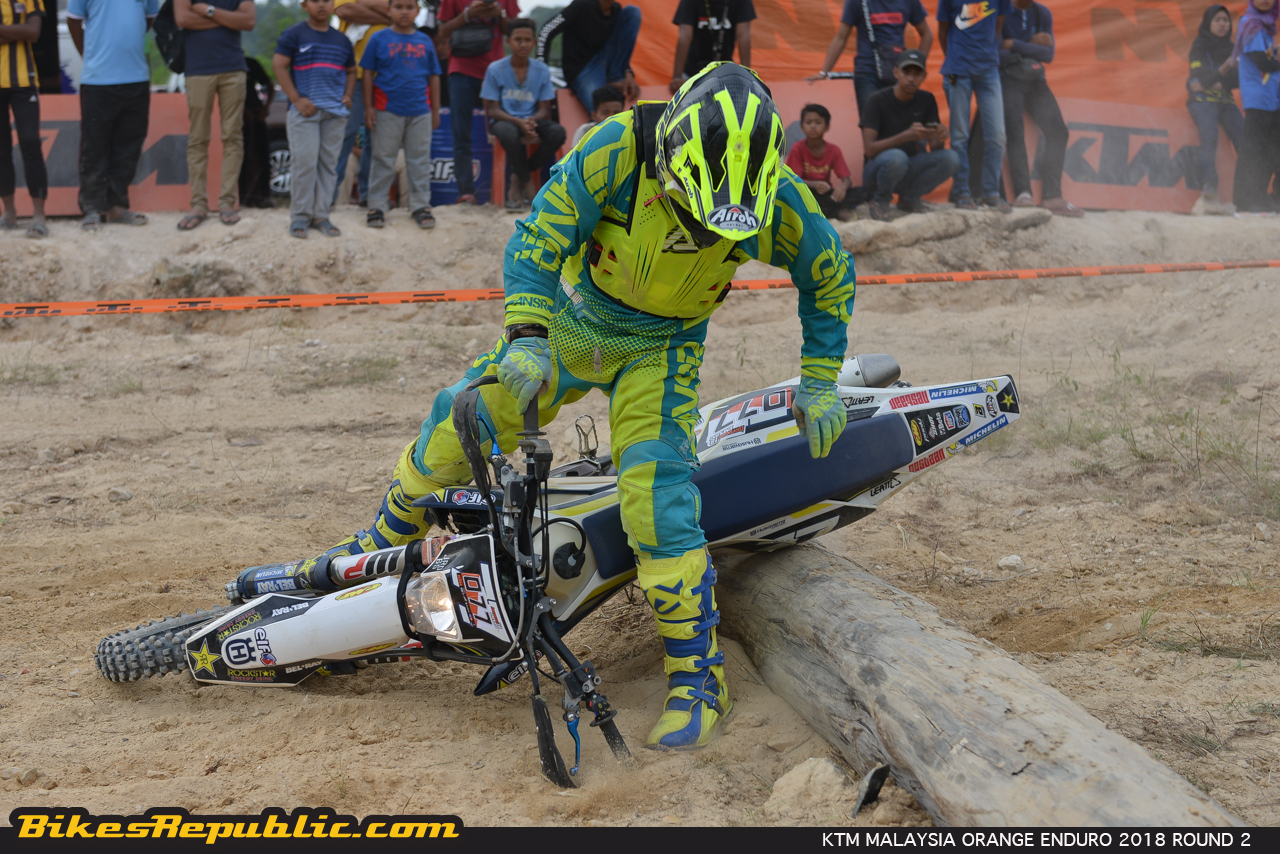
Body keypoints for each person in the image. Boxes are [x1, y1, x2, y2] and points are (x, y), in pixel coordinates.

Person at [278, 63, 855, 752]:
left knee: (659, 498)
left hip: (664, 348)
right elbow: (539, 238)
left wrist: (820, 380)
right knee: (467, 415)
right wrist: (526, 334)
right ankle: (382, 538)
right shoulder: (616, 147)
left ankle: (698, 672)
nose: (700, 230)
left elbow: (829, 275)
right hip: (573, 319)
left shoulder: (781, 198)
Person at [66, 0, 157, 232]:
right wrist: (90, 56)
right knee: (94, 146)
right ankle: (92, 208)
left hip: (136, 77)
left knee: (129, 147)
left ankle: (117, 206)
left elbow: (148, 20)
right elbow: (73, 21)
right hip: (98, 80)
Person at [274, 0, 356, 238]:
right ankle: (300, 216)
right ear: (304, 5)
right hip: (304, 112)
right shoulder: (293, 34)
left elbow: (351, 71)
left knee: (328, 165)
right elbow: (279, 66)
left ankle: (321, 215)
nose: (321, 5)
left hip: (335, 113)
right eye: (315, 1)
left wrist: (348, 95)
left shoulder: (342, 40)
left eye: (327, 0)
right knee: (304, 163)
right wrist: (297, 99)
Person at [174, 0, 256, 230]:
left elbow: (248, 21)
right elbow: (183, 19)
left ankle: (227, 202)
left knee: (232, 136)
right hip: (198, 70)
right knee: (198, 138)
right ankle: (198, 204)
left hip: (233, 68)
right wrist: (228, 18)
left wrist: (208, 11)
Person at [362, 0, 443, 228]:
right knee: (383, 158)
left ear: (418, 11)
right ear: (388, 10)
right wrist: (368, 107)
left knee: (419, 159)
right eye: (398, 7)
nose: (404, 12)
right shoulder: (378, 38)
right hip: (386, 109)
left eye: (409, 7)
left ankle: (420, 206)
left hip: (420, 110)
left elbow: (434, 76)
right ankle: (376, 205)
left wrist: (435, 110)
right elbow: (367, 73)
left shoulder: (424, 40)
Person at [999, 0, 1080, 216]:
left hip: (1035, 80)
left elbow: (1048, 55)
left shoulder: (1042, 12)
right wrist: (1031, 45)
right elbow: (996, 53)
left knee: (1058, 131)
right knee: (1015, 133)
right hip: (1008, 80)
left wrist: (1014, 44)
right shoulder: (1000, 10)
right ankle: (1023, 193)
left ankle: (1052, 196)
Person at [859, 49, 958, 220]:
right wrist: (905, 136)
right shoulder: (876, 100)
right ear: (896, 72)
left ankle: (909, 199)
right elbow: (869, 150)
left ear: (924, 76)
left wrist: (939, 136)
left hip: (910, 167)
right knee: (897, 157)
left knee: (951, 159)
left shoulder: (927, 99)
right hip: (877, 172)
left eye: (917, 74)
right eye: (906, 73)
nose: (911, 79)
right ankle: (879, 201)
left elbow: (935, 147)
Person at [439, 0, 518, 205]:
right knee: (461, 134)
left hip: (495, 69)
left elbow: (515, 32)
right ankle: (466, 192)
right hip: (460, 69)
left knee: (506, 130)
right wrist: (467, 15)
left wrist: (500, 14)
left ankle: (508, 191)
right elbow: (442, 32)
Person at [482, 17, 564, 210]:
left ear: (534, 42)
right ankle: (528, 184)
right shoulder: (495, 69)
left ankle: (518, 177)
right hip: (505, 120)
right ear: (508, 41)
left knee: (558, 133)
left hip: (531, 119)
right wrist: (519, 122)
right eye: (518, 39)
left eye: (527, 40)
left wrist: (530, 121)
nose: (523, 44)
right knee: (508, 133)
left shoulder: (541, 70)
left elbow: (544, 109)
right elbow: (494, 110)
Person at [937, 0, 1010, 212]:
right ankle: (962, 193)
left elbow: (998, 26)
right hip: (957, 71)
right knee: (959, 136)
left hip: (989, 71)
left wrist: (985, 54)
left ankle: (990, 193)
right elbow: (942, 32)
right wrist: (955, 59)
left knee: (997, 136)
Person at [810, 0, 933, 117]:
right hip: (867, 73)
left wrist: (916, 67)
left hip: (897, 74)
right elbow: (841, 38)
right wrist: (823, 72)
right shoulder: (857, 2)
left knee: (896, 122)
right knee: (871, 121)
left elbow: (927, 35)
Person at [332, 0, 393, 207]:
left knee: (379, 139)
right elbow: (344, 10)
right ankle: (328, 196)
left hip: (387, 75)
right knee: (345, 134)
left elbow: (402, 13)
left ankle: (370, 197)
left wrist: (366, 5)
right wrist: (388, 17)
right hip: (353, 74)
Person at [538, 0, 641, 114]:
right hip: (582, 69)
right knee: (603, 112)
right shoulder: (582, 5)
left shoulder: (616, 9)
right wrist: (541, 71)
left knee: (632, 12)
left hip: (605, 61)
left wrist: (627, 72)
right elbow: (546, 30)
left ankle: (615, 77)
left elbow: (620, 46)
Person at [1187, 4, 1243, 213]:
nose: (1222, 24)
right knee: (1209, 137)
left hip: (1226, 102)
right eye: (1217, 20)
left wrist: (1218, 81)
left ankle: (1249, 193)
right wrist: (1225, 69)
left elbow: (1240, 79)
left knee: (1245, 143)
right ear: (1208, 23)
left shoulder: (1233, 48)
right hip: (1202, 101)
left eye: (1226, 20)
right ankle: (1210, 186)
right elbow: (1199, 77)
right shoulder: (1199, 46)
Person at [0, 0, 48, 239]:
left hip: (24, 82)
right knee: (1, 148)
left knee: (30, 143)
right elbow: (25, 32)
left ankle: (39, 215)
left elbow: (33, 32)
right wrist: (17, 33)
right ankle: (9, 212)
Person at [1232, 0, 1280, 213]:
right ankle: (1244, 200)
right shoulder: (1251, 24)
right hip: (1257, 101)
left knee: (1272, 152)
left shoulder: (1267, 26)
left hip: (1272, 99)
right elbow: (1263, 63)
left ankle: (1261, 198)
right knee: (1252, 152)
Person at [786, 103, 859, 221]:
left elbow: (847, 180)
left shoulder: (834, 150)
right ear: (802, 126)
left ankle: (829, 209)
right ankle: (837, 212)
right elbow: (792, 180)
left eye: (818, 122)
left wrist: (842, 188)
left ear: (827, 127)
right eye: (808, 122)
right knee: (801, 199)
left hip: (825, 193)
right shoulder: (797, 149)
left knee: (861, 193)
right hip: (806, 192)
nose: (813, 126)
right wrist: (814, 184)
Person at [669, 0, 755, 95]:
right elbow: (685, 37)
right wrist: (677, 76)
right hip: (692, 72)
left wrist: (747, 76)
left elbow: (743, 36)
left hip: (725, 71)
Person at [239, 57, 275, 209]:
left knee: (262, 154)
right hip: (237, 117)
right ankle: (241, 195)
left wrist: (265, 108)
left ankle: (262, 195)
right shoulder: (224, 65)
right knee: (240, 156)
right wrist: (242, 110)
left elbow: (269, 85)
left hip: (256, 114)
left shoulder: (250, 63)